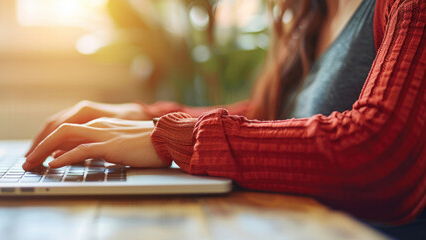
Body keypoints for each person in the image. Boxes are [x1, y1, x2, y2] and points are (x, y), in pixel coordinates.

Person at [23, 0, 425, 232]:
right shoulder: (316, 8)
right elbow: (279, 119)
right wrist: (149, 117)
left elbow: (379, 153)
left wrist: (174, 138)